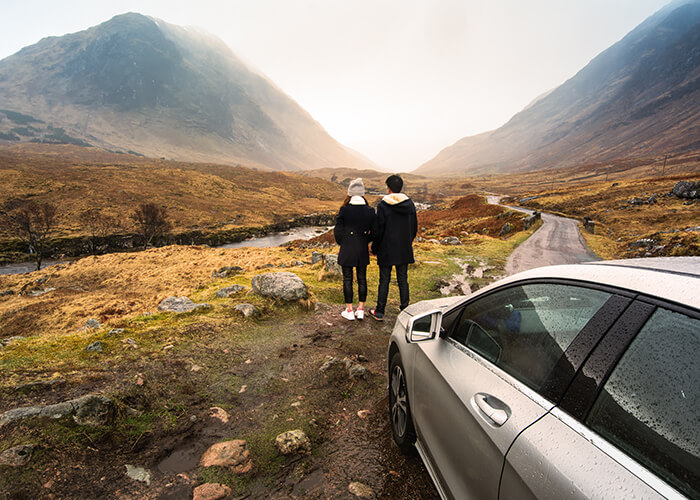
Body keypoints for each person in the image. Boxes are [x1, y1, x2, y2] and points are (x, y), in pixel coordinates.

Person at [368, 174, 417, 321]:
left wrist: (374, 248)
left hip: (386, 249)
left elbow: (378, 231)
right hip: (404, 248)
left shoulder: (383, 206)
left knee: (384, 280)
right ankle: (405, 310)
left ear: (388, 188)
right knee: (403, 279)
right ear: (400, 188)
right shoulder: (410, 204)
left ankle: (380, 311)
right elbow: (414, 228)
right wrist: (408, 241)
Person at [334, 178, 376, 321]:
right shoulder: (370, 210)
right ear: (363, 193)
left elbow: (337, 231)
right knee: (362, 279)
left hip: (347, 248)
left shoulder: (344, 210)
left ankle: (349, 310)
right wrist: (365, 240)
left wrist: (344, 242)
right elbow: (374, 232)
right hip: (362, 248)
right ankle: (361, 310)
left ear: (350, 193)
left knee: (347, 279)